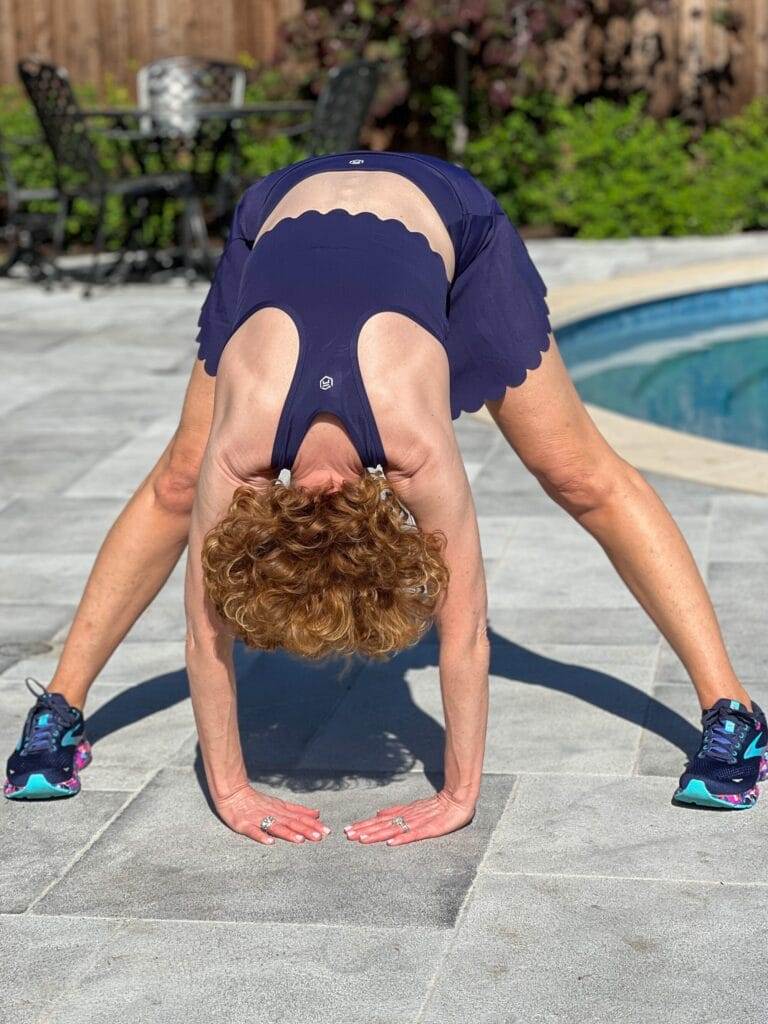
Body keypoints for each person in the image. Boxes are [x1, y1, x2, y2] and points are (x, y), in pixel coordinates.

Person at [5, 150, 766, 836]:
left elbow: (461, 633)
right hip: (276, 209)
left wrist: (460, 796)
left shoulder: (409, 444)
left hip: (450, 223)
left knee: (579, 476)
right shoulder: (239, 450)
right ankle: (61, 708)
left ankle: (732, 710)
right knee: (178, 478)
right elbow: (211, 631)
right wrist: (231, 791)